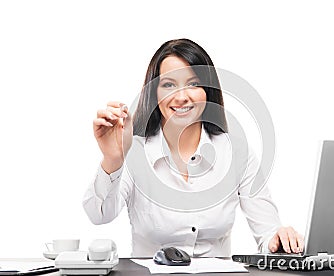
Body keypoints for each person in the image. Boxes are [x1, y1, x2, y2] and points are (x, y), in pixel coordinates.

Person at [83, 38, 303, 257]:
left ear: (208, 90)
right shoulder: (135, 152)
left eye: (193, 84)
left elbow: (268, 234)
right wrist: (113, 160)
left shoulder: (236, 153)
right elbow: (99, 214)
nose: (181, 97)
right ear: (154, 93)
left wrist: (280, 239)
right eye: (169, 85)